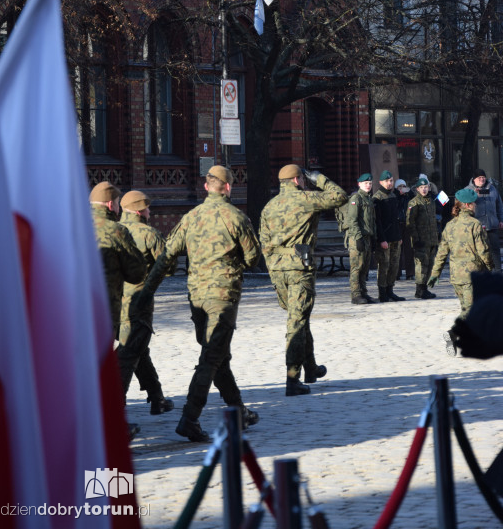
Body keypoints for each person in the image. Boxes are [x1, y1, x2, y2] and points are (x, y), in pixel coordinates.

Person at [136, 165, 261, 443]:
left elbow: (166, 256)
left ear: (207, 187)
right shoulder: (236, 217)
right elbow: (253, 258)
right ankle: (190, 419)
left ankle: (238, 411)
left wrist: (147, 292)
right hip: (223, 296)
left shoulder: (190, 217)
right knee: (211, 357)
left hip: (196, 297)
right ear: (228, 187)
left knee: (216, 355)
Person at [259, 165, 348, 396]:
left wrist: (273, 265)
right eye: (303, 179)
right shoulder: (306, 199)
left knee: (300, 317)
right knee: (296, 323)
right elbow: (340, 197)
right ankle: (292, 379)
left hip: (278, 269)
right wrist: (321, 179)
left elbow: (264, 242)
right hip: (299, 267)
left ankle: (311, 368)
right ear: (297, 180)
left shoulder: (269, 207)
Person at [89, 180, 147, 440]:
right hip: (103, 313)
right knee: (102, 369)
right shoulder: (116, 230)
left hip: (68, 314)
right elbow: (136, 273)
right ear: (112, 205)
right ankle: (111, 427)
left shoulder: (69, 228)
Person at [117, 190, 173, 415]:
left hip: (112, 303)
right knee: (130, 352)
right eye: (148, 208)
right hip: (138, 302)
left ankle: (157, 396)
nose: (150, 212)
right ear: (140, 210)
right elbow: (167, 266)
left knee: (138, 347)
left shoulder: (110, 230)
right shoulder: (149, 234)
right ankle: (114, 406)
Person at [429, 188, 493, 356]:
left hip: (456, 276)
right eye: (474, 204)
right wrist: (491, 269)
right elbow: (484, 252)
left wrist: (435, 274)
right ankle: (452, 334)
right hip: (472, 275)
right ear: (467, 205)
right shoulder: (475, 225)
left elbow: (442, 252)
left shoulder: (449, 226)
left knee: (467, 309)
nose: (475, 206)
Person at [343, 173, 376, 305]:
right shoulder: (356, 198)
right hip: (357, 238)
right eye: (365, 183)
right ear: (359, 184)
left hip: (367, 237)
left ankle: (363, 292)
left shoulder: (368, 199)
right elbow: (352, 220)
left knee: (365, 267)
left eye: (370, 183)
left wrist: (373, 237)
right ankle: (355, 294)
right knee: (357, 267)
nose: (368, 185)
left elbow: (371, 221)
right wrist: (357, 238)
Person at [373, 170, 405, 303]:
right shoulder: (377, 198)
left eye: (391, 180)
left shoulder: (392, 196)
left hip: (395, 237)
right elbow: (377, 221)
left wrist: (399, 236)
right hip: (384, 238)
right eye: (387, 181)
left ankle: (390, 290)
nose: (389, 183)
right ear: (381, 182)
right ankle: (382, 292)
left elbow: (395, 219)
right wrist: (382, 239)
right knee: (384, 266)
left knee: (394, 265)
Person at [406, 177, 438, 300]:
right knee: (421, 266)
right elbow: (410, 223)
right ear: (417, 189)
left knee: (430, 264)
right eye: (421, 187)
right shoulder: (414, 203)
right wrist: (415, 239)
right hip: (421, 239)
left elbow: (433, 221)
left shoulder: (431, 201)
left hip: (431, 239)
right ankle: (419, 290)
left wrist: (436, 237)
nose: (424, 189)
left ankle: (425, 288)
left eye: (426, 187)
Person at [465, 168, 503, 274]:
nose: (482, 179)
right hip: (477, 227)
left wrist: (501, 220)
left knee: (495, 250)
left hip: (492, 225)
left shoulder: (492, 189)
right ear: (474, 179)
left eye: (483, 177)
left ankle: (497, 273)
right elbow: (463, 206)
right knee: (479, 251)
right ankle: (481, 273)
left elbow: (499, 205)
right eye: (479, 178)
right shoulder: (468, 190)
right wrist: (473, 196)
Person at [394, 178, 414, 280]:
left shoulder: (408, 197)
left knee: (409, 249)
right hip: (397, 225)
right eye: (399, 187)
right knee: (397, 250)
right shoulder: (395, 196)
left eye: (403, 186)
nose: (402, 189)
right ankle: (397, 273)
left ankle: (410, 273)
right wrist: (399, 195)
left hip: (407, 225)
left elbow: (414, 198)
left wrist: (408, 192)